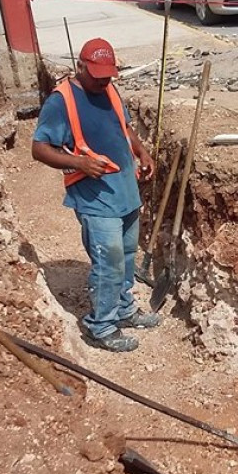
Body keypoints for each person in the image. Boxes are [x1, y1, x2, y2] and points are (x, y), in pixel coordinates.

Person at [31, 39, 159, 353]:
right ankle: (101, 325)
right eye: (97, 75)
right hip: (94, 196)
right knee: (109, 259)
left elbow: (123, 126)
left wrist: (142, 152)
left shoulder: (110, 90)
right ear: (80, 66)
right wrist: (80, 163)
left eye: (108, 75)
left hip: (125, 191)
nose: (103, 81)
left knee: (127, 254)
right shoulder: (61, 101)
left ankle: (124, 308)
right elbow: (39, 149)